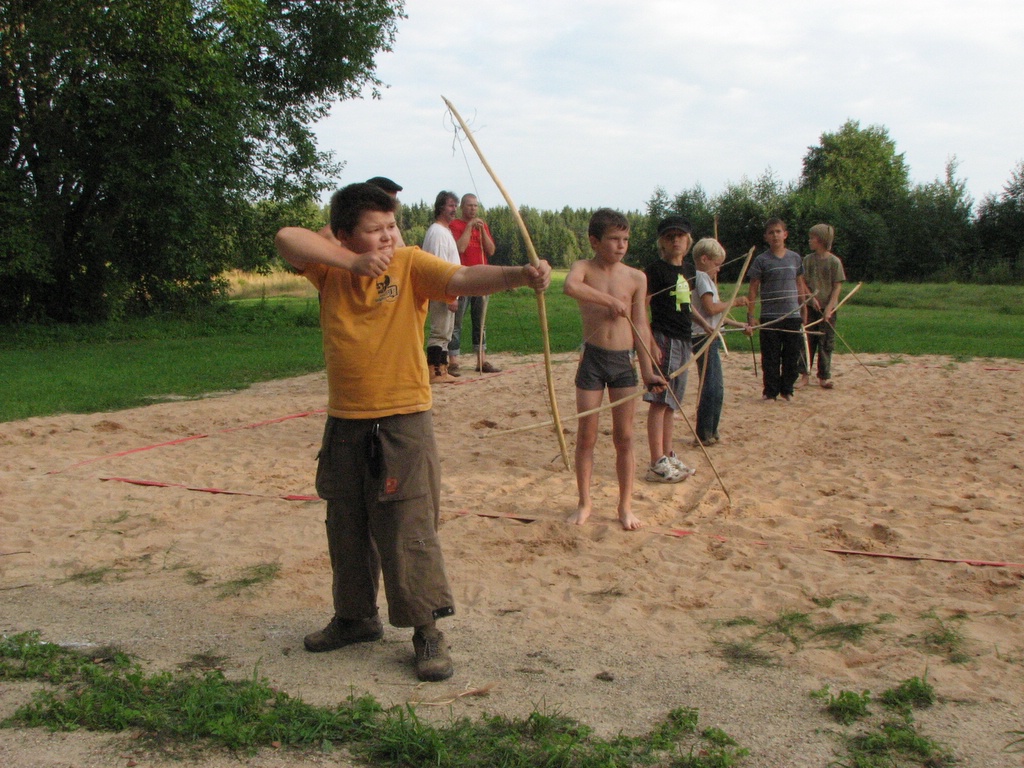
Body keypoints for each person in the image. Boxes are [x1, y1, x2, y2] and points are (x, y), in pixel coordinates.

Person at [274, 183, 551, 682]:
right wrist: (352, 261)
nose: (388, 236)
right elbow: (286, 238)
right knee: (346, 525)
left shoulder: (409, 263)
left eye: (391, 226)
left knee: (408, 528)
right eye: (374, 230)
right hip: (345, 418)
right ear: (343, 235)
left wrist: (518, 275)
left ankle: (426, 631)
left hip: (403, 418)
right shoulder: (329, 268)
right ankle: (355, 618)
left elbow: (464, 277)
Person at [563, 208, 667, 531]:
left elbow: (640, 326)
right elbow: (570, 286)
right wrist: (608, 301)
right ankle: (584, 502)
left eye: (625, 239)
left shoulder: (636, 277)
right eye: (613, 239)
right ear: (595, 241)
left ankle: (625, 506)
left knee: (624, 437)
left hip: (623, 362)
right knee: (586, 436)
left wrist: (648, 371)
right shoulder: (583, 268)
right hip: (592, 361)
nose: (621, 245)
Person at [643, 216, 709, 483]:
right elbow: (642, 307)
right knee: (660, 400)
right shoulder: (655, 271)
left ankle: (668, 455)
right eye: (670, 237)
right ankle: (656, 461)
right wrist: (650, 341)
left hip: (683, 339)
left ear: (688, 240)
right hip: (664, 337)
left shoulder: (689, 271)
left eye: (680, 236)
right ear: (662, 242)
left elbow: (686, 306)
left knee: (672, 403)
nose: (675, 241)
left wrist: (706, 325)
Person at [691, 238, 753, 445]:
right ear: (704, 259)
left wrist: (740, 325)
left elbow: (717, 315)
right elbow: (711, 309)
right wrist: (734, 302)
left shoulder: (706, 280)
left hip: (709, 335)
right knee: (711, 386)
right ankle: (704, 433)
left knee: (716, 386)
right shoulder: (701, 277)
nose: (718, 269)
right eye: (716, 264)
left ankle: (711, 430)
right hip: (703, 337)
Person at [747, 218, 810, 401]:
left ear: (785, 234)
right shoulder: (761, 260)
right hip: (770, 316)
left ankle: (787, 389)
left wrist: (803, 308)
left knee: (791, 355)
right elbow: (753, 288)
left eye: (778, 231)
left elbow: (800, 284)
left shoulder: (795, 258)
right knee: (770, 357)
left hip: (792, 315)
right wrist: (751, 314)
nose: (775, 235)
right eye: (771, 232)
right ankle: (770, 391)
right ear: (766, 237)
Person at [449, 193, 498, 373]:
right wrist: (469, 227)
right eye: (469, 205)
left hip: (481, 279)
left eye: (475, 205)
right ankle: (453, 360)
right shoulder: (455, 225)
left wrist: (483, 231)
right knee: (456, 322)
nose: (473, 209)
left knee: (481, 322)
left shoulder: (482, 226)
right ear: (462, 207)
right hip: (463, 278)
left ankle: (481, 360)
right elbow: (460, 248)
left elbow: (491, 250)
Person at [798, 223, 846, 389]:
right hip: (810, 308)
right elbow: (802, 281)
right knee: (807, 341)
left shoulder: (834, 262)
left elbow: (837, 287)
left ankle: (824, 377)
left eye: (812, 238)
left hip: (828, 309)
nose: (809, 241)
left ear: (821, 240)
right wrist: (810, 298)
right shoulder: (808, 260)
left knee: (826, 343)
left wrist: (829, 308)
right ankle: (804, 375)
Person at [421, 191, 462, 384]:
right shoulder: (437, 232)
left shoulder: (445, 231)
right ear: (440, 207)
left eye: (455, 206)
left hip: (447, 290)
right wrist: (449, 295)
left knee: (446, 332)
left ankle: (442, 369)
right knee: (439, 331)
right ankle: (435, 371)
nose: (454, 209)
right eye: (451, 205)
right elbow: (439, 266)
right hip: (442, 291)